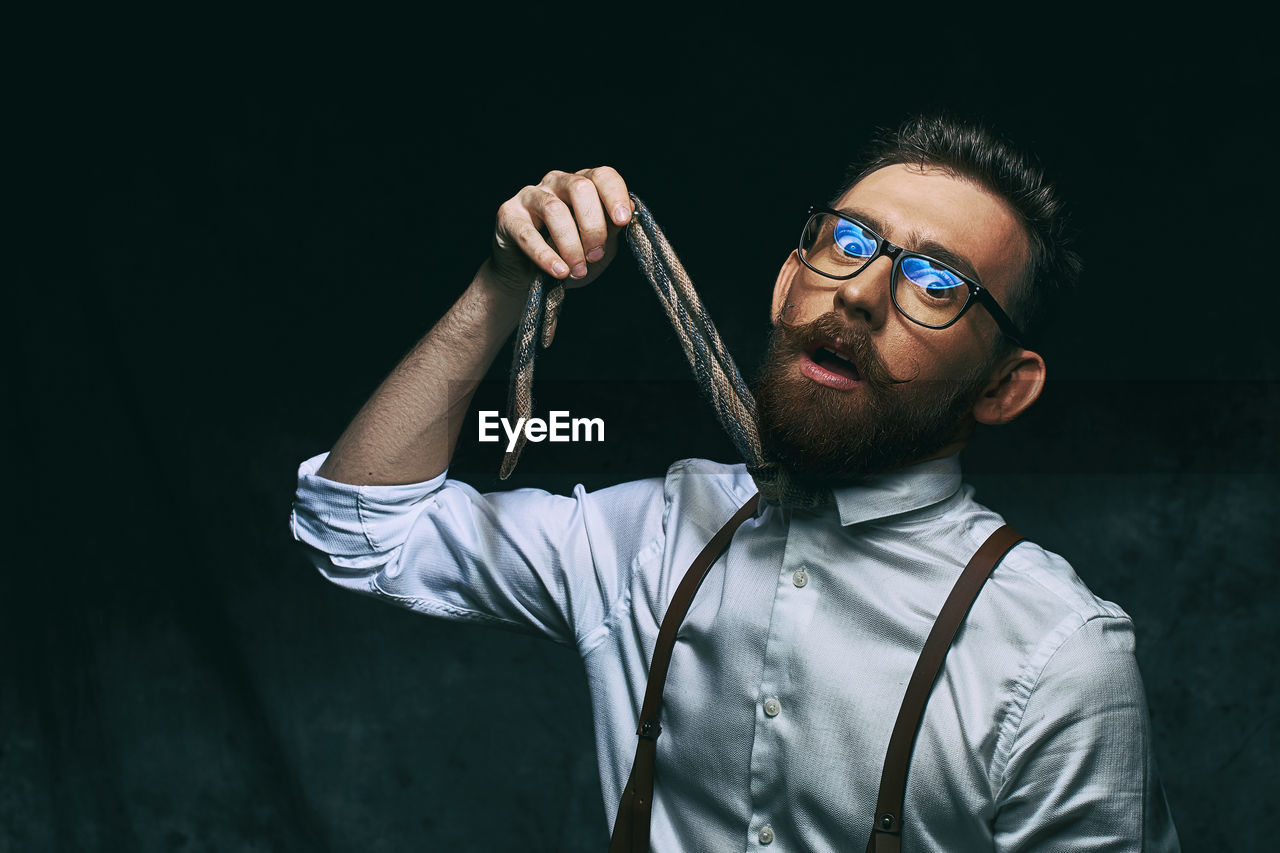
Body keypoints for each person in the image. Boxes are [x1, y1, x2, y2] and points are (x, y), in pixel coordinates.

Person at [290, 115, 1180, 850]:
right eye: (849, 242)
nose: (862, 293)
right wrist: (504, 280)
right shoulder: (655, 533)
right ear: (789, 282)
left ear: (1004, 386)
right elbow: (361, 526)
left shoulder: (1058, 659)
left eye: (938, 280)